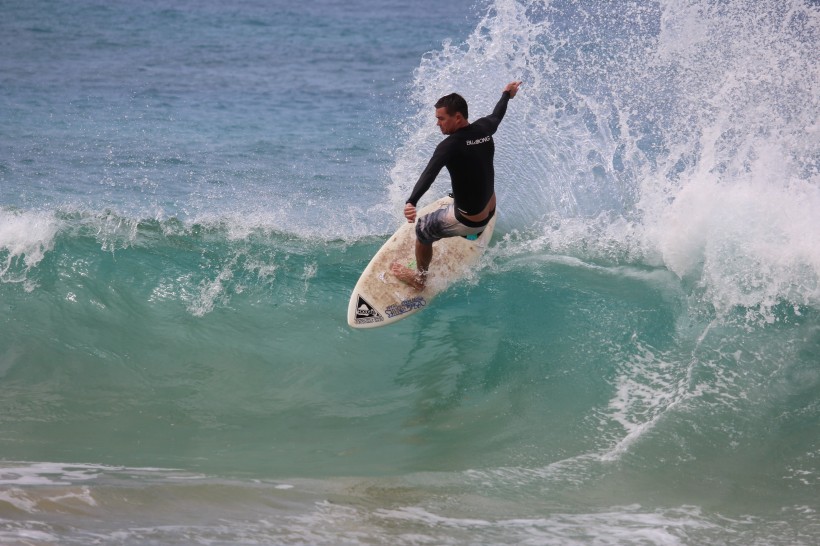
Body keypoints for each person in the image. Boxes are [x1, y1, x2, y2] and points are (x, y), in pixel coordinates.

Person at [391, 80, 522, 290]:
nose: (438, 124)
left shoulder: (449, 146)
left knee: (423, 229)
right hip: (489, 208)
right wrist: (507, 94)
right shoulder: (484, 127)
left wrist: (411, 201)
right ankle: (472, 233)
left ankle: (420, 279)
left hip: (471, 219)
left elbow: (429, 174)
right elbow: (498, 114)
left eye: (441, 119)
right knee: (456, 191)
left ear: (457, 117)